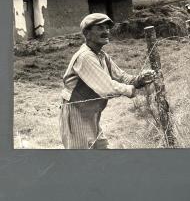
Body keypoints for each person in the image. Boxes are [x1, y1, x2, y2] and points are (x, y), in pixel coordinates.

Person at [59, 13, 155, 149]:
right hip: (76, 113)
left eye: (107, 28)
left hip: (91, 113)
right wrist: (132, 90)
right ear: (87, 33)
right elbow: (107, 88)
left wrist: (140, 79)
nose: (106, 32)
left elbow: (122, 77)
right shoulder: (85, 57)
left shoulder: (102, 55)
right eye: (100, 28)